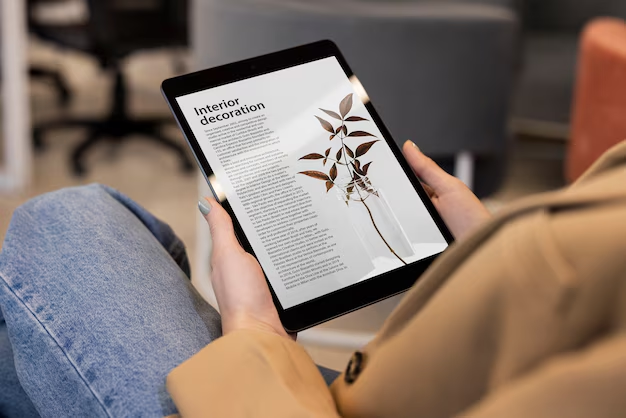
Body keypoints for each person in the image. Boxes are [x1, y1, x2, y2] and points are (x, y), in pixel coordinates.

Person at [0, 140, 625, 417]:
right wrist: (485, 250)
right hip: (376, 388)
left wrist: (257, 336)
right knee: (23, 340)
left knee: (65, 219)